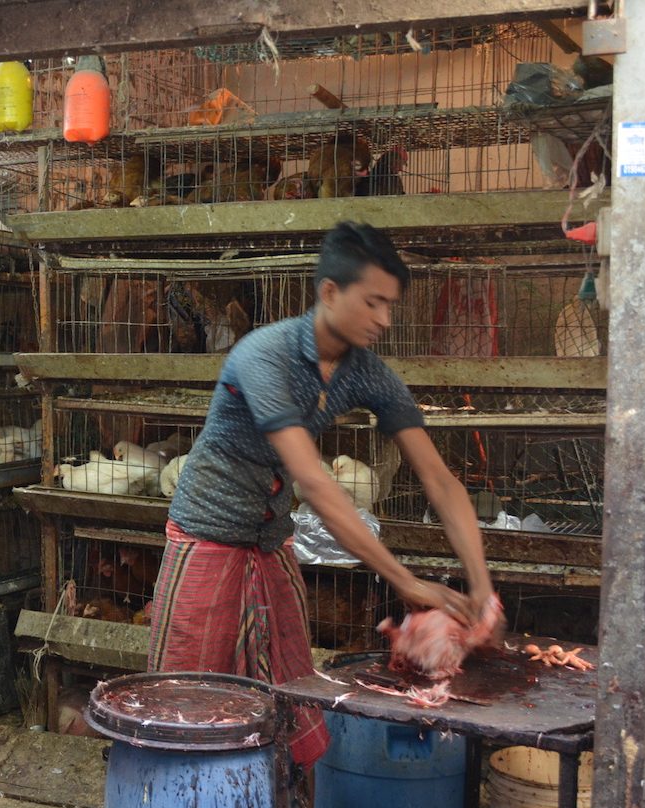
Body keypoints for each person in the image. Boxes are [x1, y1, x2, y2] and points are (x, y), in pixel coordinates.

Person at [150, 222, 496, 768]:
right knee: (182, 704)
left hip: (269, 543)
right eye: (374, 302)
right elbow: (312, 480)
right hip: (206, 536)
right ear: (330, 293)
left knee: (295, 695)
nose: (385, 319)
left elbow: (438, 478)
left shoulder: (366, 374)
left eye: (391, 306)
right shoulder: (265, 356)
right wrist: (405, 581)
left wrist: (482, 589)